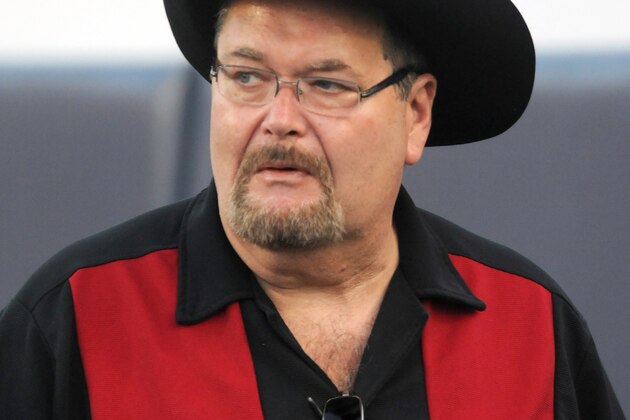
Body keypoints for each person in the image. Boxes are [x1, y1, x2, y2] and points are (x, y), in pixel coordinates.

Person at [0, 0, 625, 418]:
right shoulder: (75, 321)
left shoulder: (530, 327)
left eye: (327, 85)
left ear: (415, 114)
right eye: (246, 77)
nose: (279, 121)